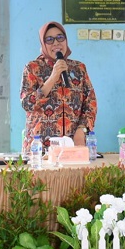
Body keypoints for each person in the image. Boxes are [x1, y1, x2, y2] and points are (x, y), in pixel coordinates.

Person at [20, 21, 97, 152]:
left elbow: (91, 103)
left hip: (73, 145)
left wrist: (82, 129)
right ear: (43, 44)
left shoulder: (79, 68)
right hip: (40, 147)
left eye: (60, 37)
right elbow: (27, 104)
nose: (56, 43)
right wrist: (53, 77)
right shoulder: (32, 68)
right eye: (49, 39)